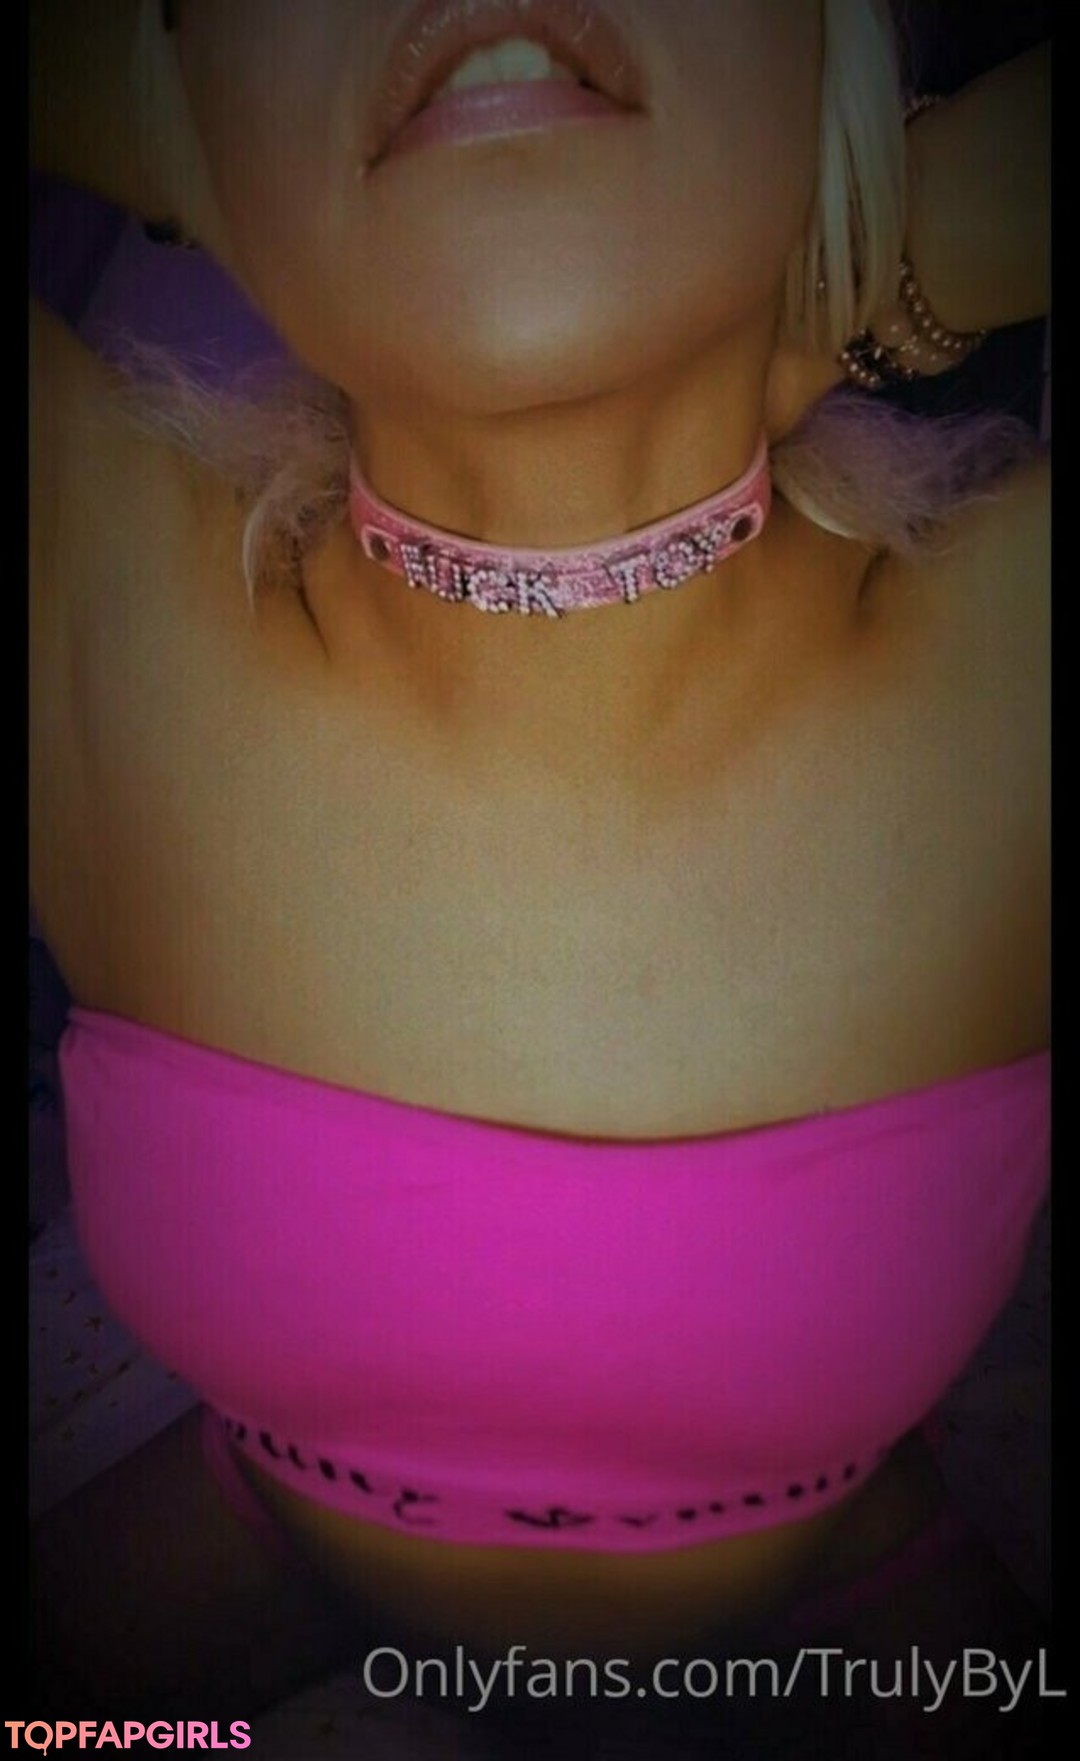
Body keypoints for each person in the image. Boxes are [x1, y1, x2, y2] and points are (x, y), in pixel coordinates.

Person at [30, 3, 1050, 1755]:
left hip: (851, 1562)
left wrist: (892, 241)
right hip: (277, 1521)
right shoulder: (88, 585)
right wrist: (209, 138)